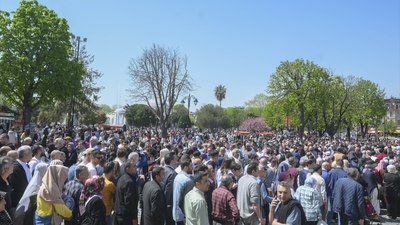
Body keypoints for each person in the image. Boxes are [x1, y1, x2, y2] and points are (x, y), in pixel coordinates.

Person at [9, 145, 32, 212]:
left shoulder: (25, 164)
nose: (32, 154)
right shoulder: (16, 167)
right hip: (18, 199)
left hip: (25, 198)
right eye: (30, 153)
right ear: (25, 154)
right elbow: (19, 185)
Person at [172, 158, 194, 225]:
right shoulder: (187, 180)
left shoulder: (177, 176)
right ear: (185, 167)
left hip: (176, 212)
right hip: (183, 214)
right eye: (191, 166)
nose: (192, 168)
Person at [162, 152, 178, 225]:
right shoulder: (172, 174)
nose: (177, 161)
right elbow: (169, 191)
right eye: (175, 160)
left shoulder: (161, 170)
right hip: (168, 205)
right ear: (172, 161)